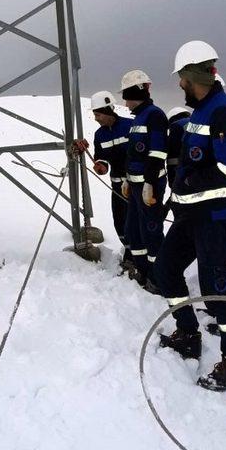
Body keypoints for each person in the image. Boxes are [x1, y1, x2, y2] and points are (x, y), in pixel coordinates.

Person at [155, 40, 226, 391]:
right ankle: (188, 333)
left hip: (217, 218)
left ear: (194, 75)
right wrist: (178, 196)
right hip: (192, 217)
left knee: (217, 289)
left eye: (182, 78)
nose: (179, 85)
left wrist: (189, 185)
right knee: (165, 269)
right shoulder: (202, 110)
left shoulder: (222, 111)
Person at [120, 70, 168, 292]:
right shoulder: (138, 117)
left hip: (150, 186)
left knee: (151, 231)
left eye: (126, 96)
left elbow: (157, 153)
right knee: (134, 230)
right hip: (137, 185)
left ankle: (159, 277)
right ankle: (142, 270)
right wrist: (128, 179)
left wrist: (149, 182)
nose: (125, 102)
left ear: (134, 93)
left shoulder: (154, 115)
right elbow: (134, 154)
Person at [74, 91, 133, 269]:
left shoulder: (131, 126)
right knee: (120, 222)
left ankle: (137, 258)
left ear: (108, 111)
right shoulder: (100, 135)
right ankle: (129, 253)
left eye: (98, 114)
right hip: (117, 185)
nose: (96, 118)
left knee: (135, 223)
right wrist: (101, 166)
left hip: (135, 184)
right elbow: (102, 159)